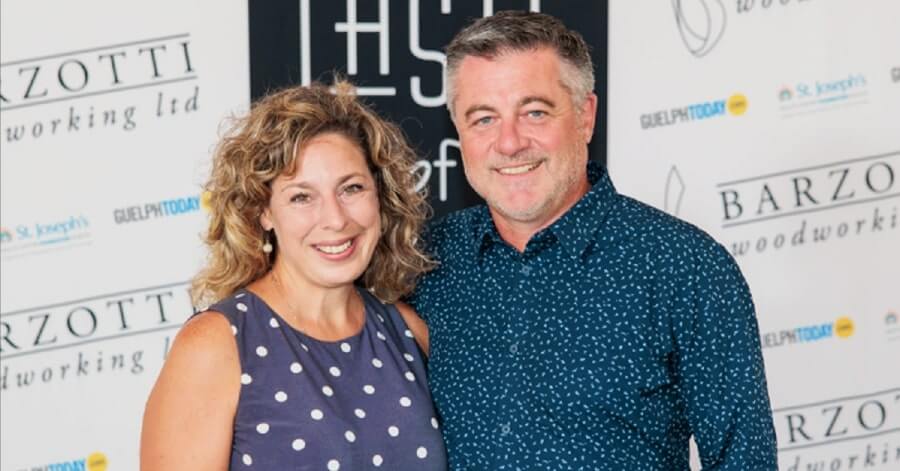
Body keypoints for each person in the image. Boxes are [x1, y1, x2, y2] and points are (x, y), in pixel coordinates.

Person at [409, 10, 778, 470]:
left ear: (586, 116)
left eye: (535, 112)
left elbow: (744, 460)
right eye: (483, 118)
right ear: (459, 131)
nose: (509, 142)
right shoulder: (423, 260)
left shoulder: (685, 267)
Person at [141, 82, 447, 470]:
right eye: (302, 197)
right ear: (264, 211)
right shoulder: (217, 345)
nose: (335, 219)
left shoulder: (408, 331)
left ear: (380, 196)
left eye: (351, 188)